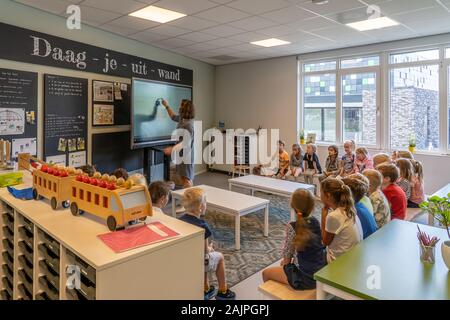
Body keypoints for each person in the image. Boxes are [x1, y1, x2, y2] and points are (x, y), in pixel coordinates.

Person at [179, 188, 236, 300]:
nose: (206, 205)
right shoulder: (202, 226)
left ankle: (205, 288)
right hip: (199, 261)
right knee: (219, 257)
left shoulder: (180, 220)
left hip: (186, 258)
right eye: (205, 202)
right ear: (201, 207)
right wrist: (210, 248)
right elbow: (205, 252)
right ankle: (223, 291)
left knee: (204, 259)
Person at [262, 189, 326, 290]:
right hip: (320, 272)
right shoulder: (315, 222)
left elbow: (287, 260)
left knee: (265, 273)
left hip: (303, 278)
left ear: (292, 205)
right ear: (312, 206)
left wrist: (284, 265)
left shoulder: (292, 227)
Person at [320, 178, 361, 262]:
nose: (319, 195)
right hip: (352, 256)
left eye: (321, 192)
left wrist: (323, 215)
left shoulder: (333, 216)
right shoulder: (349, 208)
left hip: (339, 261)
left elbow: (324, 242)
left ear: (328, 195)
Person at [161, 99, 195, 189]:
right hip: (180, 154)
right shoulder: (182, 119)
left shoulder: (189, 125)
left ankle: (191, 199)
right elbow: (172, 116)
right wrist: (166, 106)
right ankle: (189, 198)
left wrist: (171, 149)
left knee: (186, 179)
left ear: (185, 109)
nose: (179, 107)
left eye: (181, 106)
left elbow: (186, 143)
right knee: (184, 178)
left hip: (186, 156)